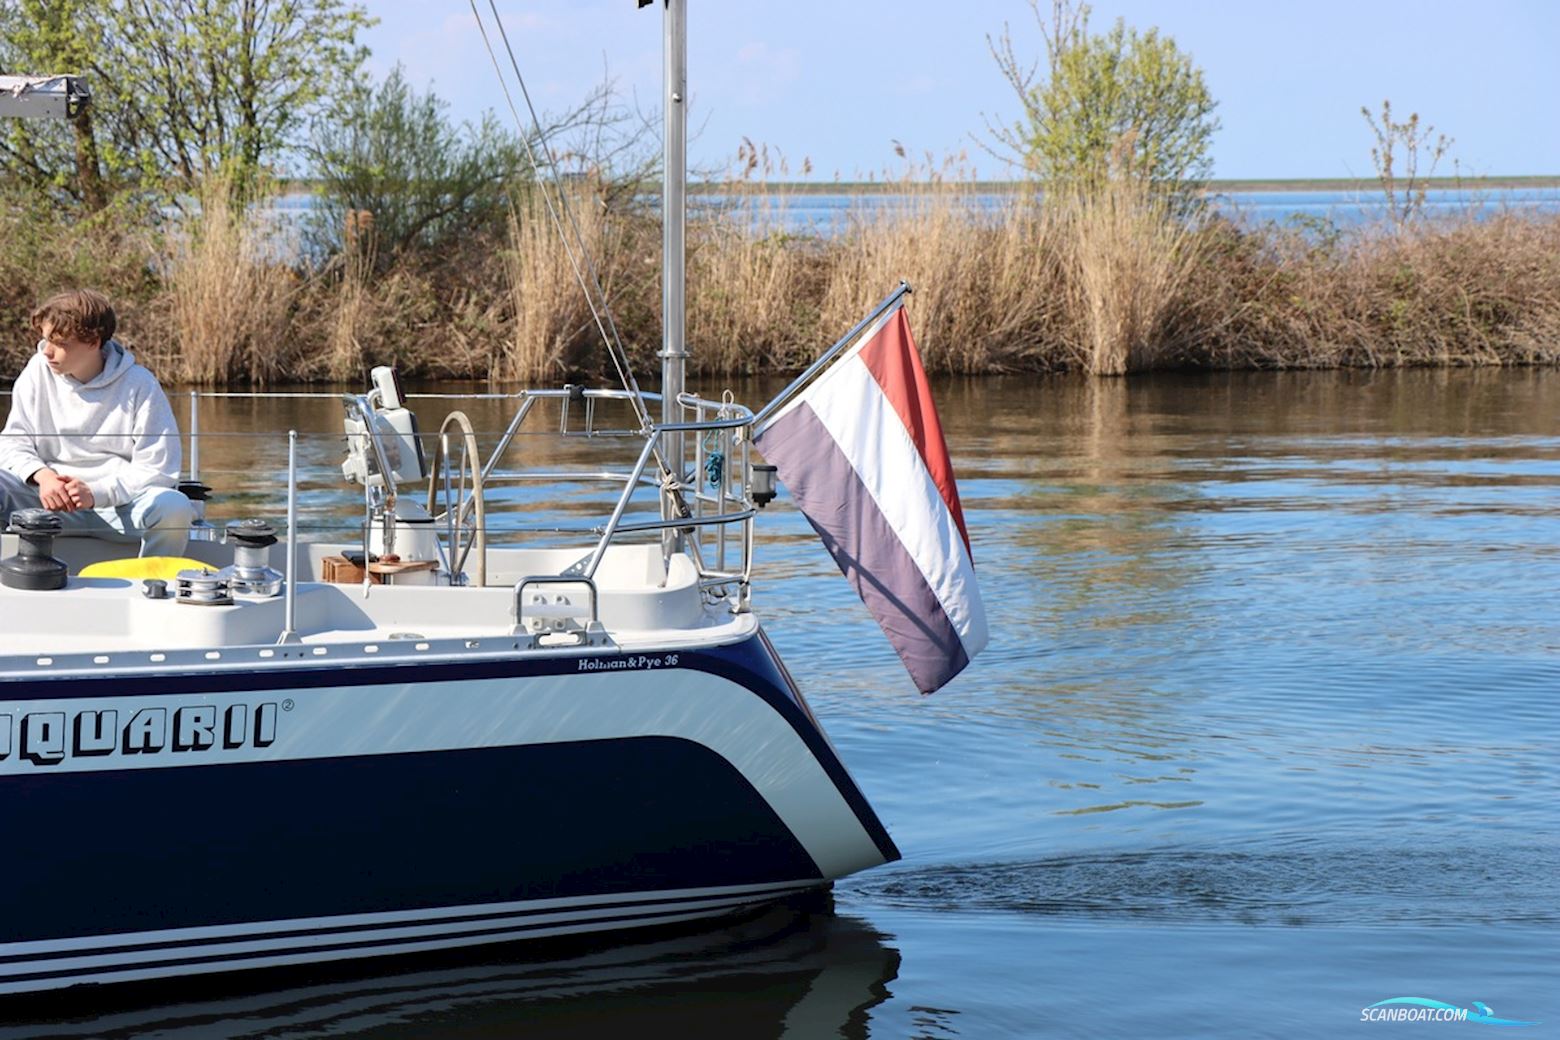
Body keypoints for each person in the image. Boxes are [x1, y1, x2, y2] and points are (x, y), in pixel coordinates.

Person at [0, 289, 194, 557]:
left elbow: (158, 470)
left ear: (93, 341)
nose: (47, 351)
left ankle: (152, 586)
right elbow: (13, 442)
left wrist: (95, 492)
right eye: (45, 340)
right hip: (46, 502)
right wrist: (43, 477)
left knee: (174, 507)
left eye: (59, 343)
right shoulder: (37, 371)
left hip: (120, 510)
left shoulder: (140, 384)